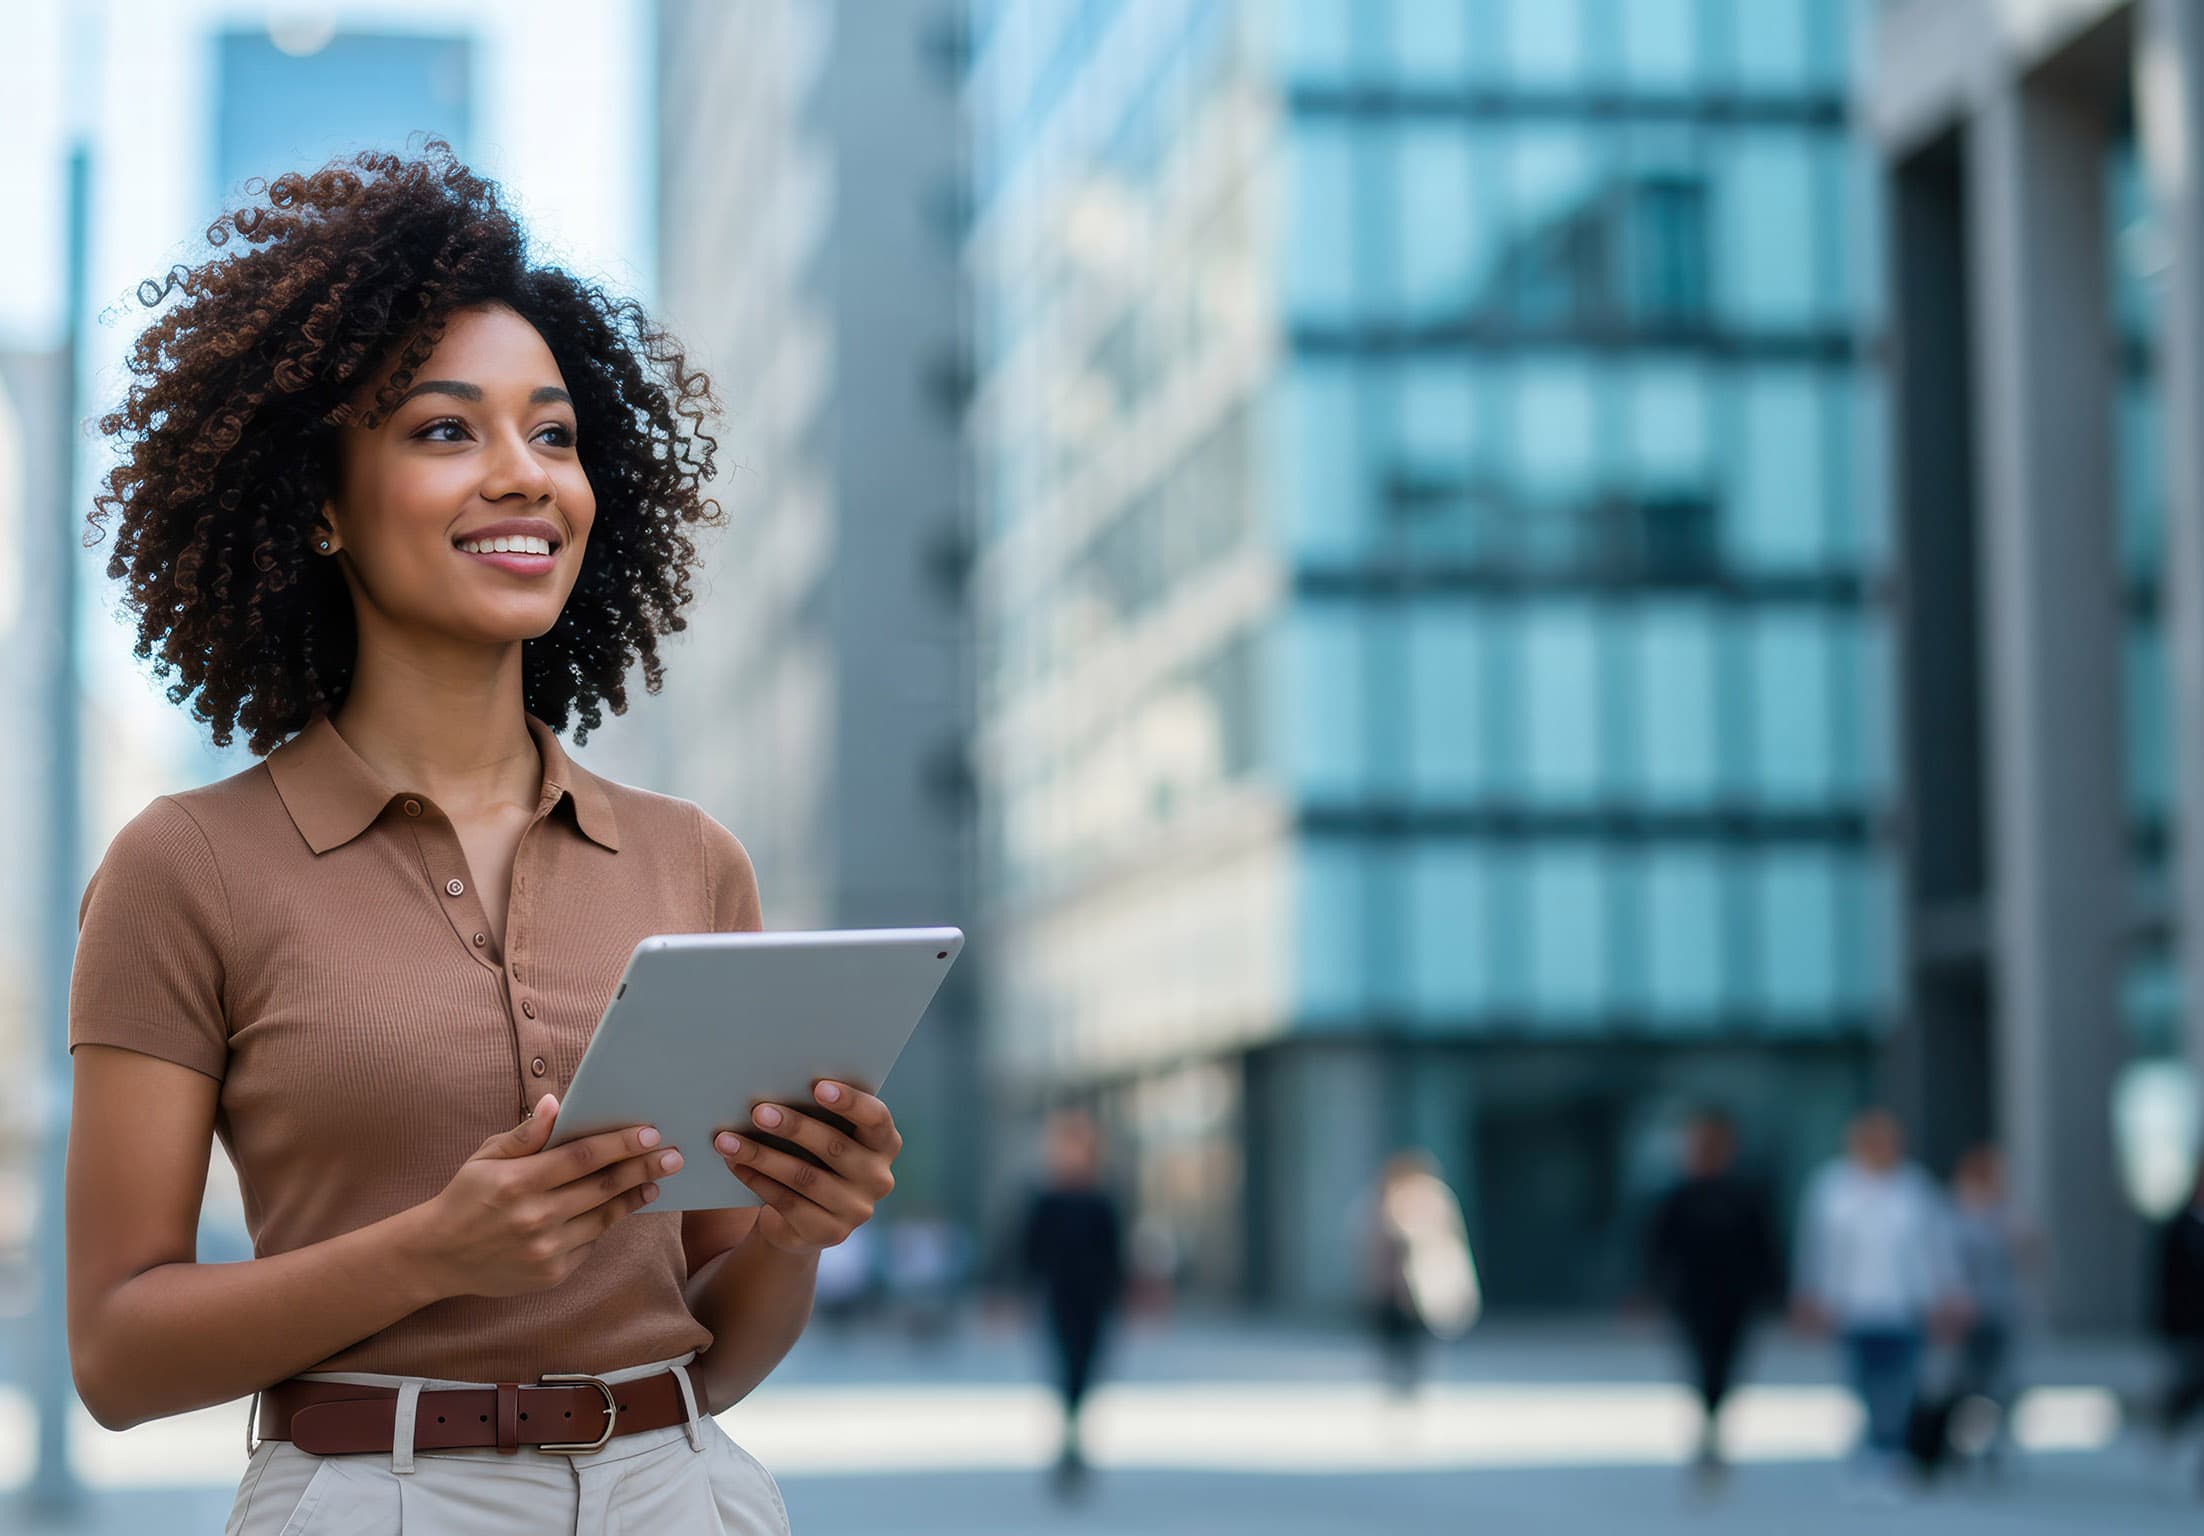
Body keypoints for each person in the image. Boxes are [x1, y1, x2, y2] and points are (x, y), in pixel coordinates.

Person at [64, 139, 910, 1533]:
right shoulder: (187, 867)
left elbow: (721, 1345)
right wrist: (433, 1254)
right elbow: (115, 1355)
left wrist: (794, 1233)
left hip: (678, 1487)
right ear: (322, 504)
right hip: (370, 1496)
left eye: (556, 432)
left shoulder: (690, 860)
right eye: (446, 429)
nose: (524, 475)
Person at [1791, 1108, 1968, 1498]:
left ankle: (1889, 1450)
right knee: (1863, 1380)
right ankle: (1874, 1445)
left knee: (1900, 1383)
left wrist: (1948, 1293)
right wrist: (1811, 1294)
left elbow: (1938, 1247)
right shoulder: (1833, 1187)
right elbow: (1817, 1248)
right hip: (1853, 1304)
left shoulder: (1913, 1188)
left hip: (1905, 1305)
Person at [1643, 1109, 1782, 1488]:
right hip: (1692, 1297)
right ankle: (1709, 1427)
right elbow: (1656, 1249)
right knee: (1702, 1361)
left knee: (1727, 1362)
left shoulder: (1743, 1194)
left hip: (1736, 1297)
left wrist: (1771, 1291)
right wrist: (1653, 1291)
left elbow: (1764, 1246)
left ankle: (1714, 1424)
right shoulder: (1677, 1196)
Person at [1018, 1109, 1127, 1498]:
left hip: (1094, 1298)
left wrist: (1124, 1295)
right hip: (1060, 1296)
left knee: (1087, 1364)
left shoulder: (1102, 1199)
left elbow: (1116, 1254)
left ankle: (1074, 1432)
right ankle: (1069, 1435)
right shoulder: (1047, 1199)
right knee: (1066, 1363)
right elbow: (1029, 1251)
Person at [1358, 1150, 1480, 1398]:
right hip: (1391, 1289)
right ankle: (1399, 1383)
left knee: (1416, 1340)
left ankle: (1410, 1383)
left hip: (1422, 1286)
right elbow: (1369, 1245)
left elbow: (1449, 1242)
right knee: (1393, 1340)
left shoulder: (1433, 1200)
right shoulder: (1383, 1200)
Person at [1945, 1143, 2034, 1474]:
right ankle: (1962, 1444)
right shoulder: (1957, 1212)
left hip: (2001, 1310)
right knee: (1968, 1381)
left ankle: (1991, 1443)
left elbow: (2029, 1251)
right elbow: (1947, 1263)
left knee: (1999, 1382)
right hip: (1967, 1312)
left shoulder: (2006, 1211)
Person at [2153, 1162, 2204, 1490]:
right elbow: (2164, 1282)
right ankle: (2171, 1439)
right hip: (2189, 1326)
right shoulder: (2179, 1227)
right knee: (2189, 1389)